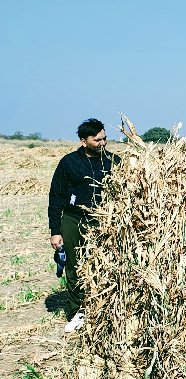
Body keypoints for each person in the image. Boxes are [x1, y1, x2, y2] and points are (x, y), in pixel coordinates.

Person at [48, 118, 120, 332]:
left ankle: (105, 309)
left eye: (105, 138)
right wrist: (55, 231)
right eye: (97, 140)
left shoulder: (114, 162)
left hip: (105, 220)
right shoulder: (68, 163)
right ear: (83, 141)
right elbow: (56, 197)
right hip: (74, 219)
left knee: (106, 264)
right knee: (75, 266)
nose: (103, 143)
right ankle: (77, 312)